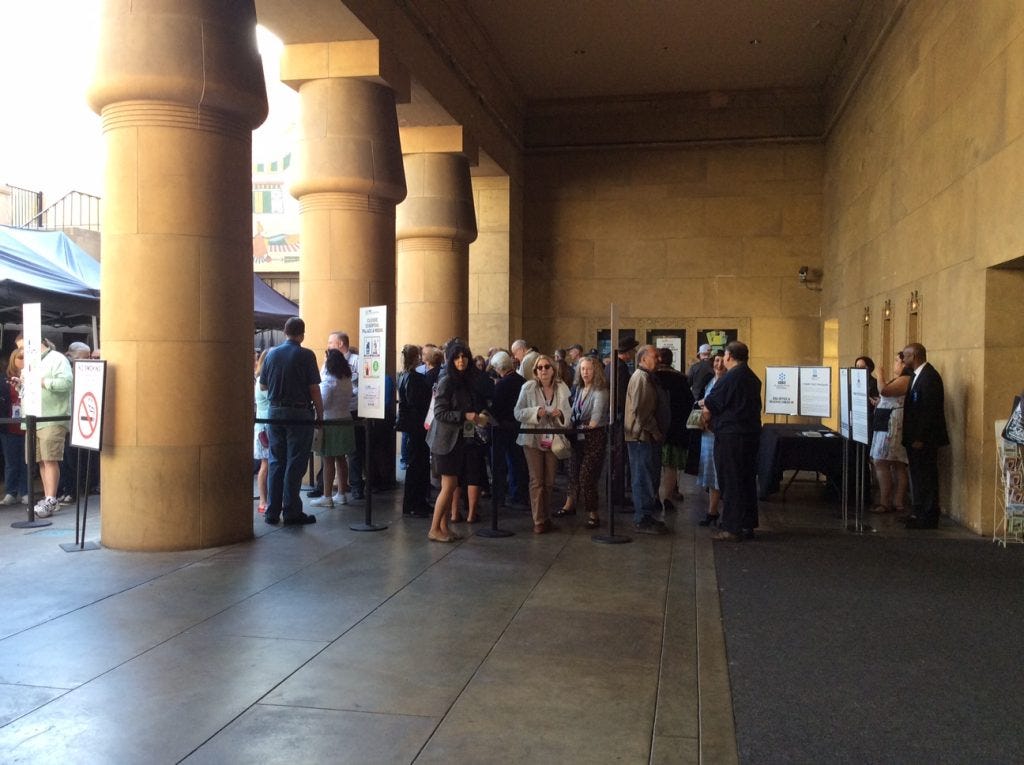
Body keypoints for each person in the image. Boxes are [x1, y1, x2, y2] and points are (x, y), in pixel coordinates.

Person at [259, 317, 322, 526]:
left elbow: (263, 386)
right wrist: (320, 415)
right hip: (299, 415)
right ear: (302, 335)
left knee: (276, 461)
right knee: (295, 462)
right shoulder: (306, 355)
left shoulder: (272, 354)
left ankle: (272, 512)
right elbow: (314, 389)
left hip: (274, 413)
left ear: (285, 333)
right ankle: (292, 511)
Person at [702, 341, 762, 542]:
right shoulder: (752, 377)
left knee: (731, 480)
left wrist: (707, 417)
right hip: (750, 435)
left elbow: (712, 402)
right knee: (746, 480)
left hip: (731, 436)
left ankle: (732, 527)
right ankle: (747, 524)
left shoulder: (731, 377)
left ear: (728, 356)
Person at [426, 343, 481, 542]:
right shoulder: (447, 380)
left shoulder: (464, 380)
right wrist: (465, 415)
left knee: (451, 485)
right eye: (457, 357)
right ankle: (434, 529)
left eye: (464, 357)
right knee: (449, 486)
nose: (461, 360)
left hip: (456, 440)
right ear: (451, 360)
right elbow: (440, 413)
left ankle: (444, 528)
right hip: (444, 441)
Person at [515, 354, 572, 534]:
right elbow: (517, 412)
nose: (543, 370)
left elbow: (568, 414)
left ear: (553, 369)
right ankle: (538, 520)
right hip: (532, 439)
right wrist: (536, 412)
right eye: (540, 368)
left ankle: (547, 518)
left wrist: (560, 414)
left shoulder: (562, 388)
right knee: (537, 480)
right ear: (535, 371)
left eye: (547, 367)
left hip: (553, 439)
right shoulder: (528, 387)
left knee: (549, 482)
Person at [899, 342, 949, 529]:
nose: (903, 359)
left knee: (926, 476)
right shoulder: (916, 376)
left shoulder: (930, 377)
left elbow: (929, 411)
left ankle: (928, 515)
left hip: (925, 439)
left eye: (906, 355)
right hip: (914, 438)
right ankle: (918, 511)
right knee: (918, 476)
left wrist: (920, 437)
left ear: (916, 356)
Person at [558, 355, 609, 529]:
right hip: (577, 435)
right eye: (582, 369)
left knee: (587, 476)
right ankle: (569, 505)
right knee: (573, 472)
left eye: (589, 369)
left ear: (596, 371)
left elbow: (595, 418)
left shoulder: (600, 391)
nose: (585, 372)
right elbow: (574, 413)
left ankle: (593, 513)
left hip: (594, 437)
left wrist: (583, 424)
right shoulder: (579, 389)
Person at [624, 345, 670, 534]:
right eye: (654, 356)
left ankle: (647, 515)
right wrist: (655, 430)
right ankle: (643, 518)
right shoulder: (641, 378)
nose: (659, 359)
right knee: (643, 478)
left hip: (647, 437)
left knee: (649, 476)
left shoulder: (648, 377)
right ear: (643, 359)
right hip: (642, 437)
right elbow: (641, 411)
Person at [28, 339, 74, 519]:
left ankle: (50, 498)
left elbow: (66, 383)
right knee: (40, 460)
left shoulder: (57, 359)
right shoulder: (32, 361)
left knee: (49, 458)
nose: (22, 352)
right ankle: (49, 498)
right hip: (34, 417)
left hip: (53, 416)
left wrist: (43, 382)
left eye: (23, 347)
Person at [310, 349, 355, 509]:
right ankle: (342, 493)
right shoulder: (346, 378)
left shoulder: (329, 380)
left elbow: (324, 402)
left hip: (330, 421)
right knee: (342, 459)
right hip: (345, 419)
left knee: (327, 459)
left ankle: (327, 496)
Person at [653, 347, 694, 513]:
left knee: (654, 463)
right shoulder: (681, 378)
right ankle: (668, 497)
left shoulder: (653, 377)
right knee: (671, 465)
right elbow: (689, 403)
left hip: (656, 427)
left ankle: (655, 496)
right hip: (676, 428)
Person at [871, 353, 911, 515]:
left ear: (903, 364)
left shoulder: (905, 379)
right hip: (887, 419)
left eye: (896, 360)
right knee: (897, 463)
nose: (894, 363)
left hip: (892, 423)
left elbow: (885, 390)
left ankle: (886, 502)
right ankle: (896, 501)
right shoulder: (901, 378)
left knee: (882, 461)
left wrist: (880, 375)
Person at [490, 350, 529, 510]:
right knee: (518, 461)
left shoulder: (501, 385)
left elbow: (496, 408)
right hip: (520, 426)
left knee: (501, 464)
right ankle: (519, 495)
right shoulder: (523, 381)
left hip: (503, 428)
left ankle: (500, 496)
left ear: (499, 368)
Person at [397, 344, 432, 517]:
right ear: (416, 357)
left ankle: (414, 502)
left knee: (416, 464)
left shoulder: (403, 376)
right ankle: (415, 503)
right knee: (418, 464)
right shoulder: (414, 378)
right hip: (418, 425)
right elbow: (416, 401)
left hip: (412, 425)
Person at [606, 337, 639, 506]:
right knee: (618, 459)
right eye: (632, 350)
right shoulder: (620, 368)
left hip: (613, 417)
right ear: (627, 352)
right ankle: (617, 497)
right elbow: (621, 396)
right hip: (618, 418)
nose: (634, 353)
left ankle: (614, 495)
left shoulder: (611, 366)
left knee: (615, 459)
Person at [696, 352, 727, 526]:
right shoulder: (711, 381)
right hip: (707, 435)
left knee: (719, 474)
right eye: (716, 360)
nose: (719, 364)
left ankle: (719, 511)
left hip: (718, 434)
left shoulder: (727, 382)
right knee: (711, 474)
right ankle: (712, 510)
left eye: (722, 361)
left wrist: (705, 405)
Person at [1, 349, 28, 506]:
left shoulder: (30, 378)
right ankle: (11, 492)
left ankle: (25, 492)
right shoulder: (4, 379)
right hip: (9, 427)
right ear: (13, 360)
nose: (23, 360)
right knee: (11, 461)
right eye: (20, 357)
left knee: (27, 461)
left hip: (26, 426)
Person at [254, 349, 271, 514]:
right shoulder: (263, 382)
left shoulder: (260, 379)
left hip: (265, 426)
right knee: (265, 464)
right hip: (265, 427)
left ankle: (265, 500)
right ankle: (263, 501)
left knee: (267, 464)